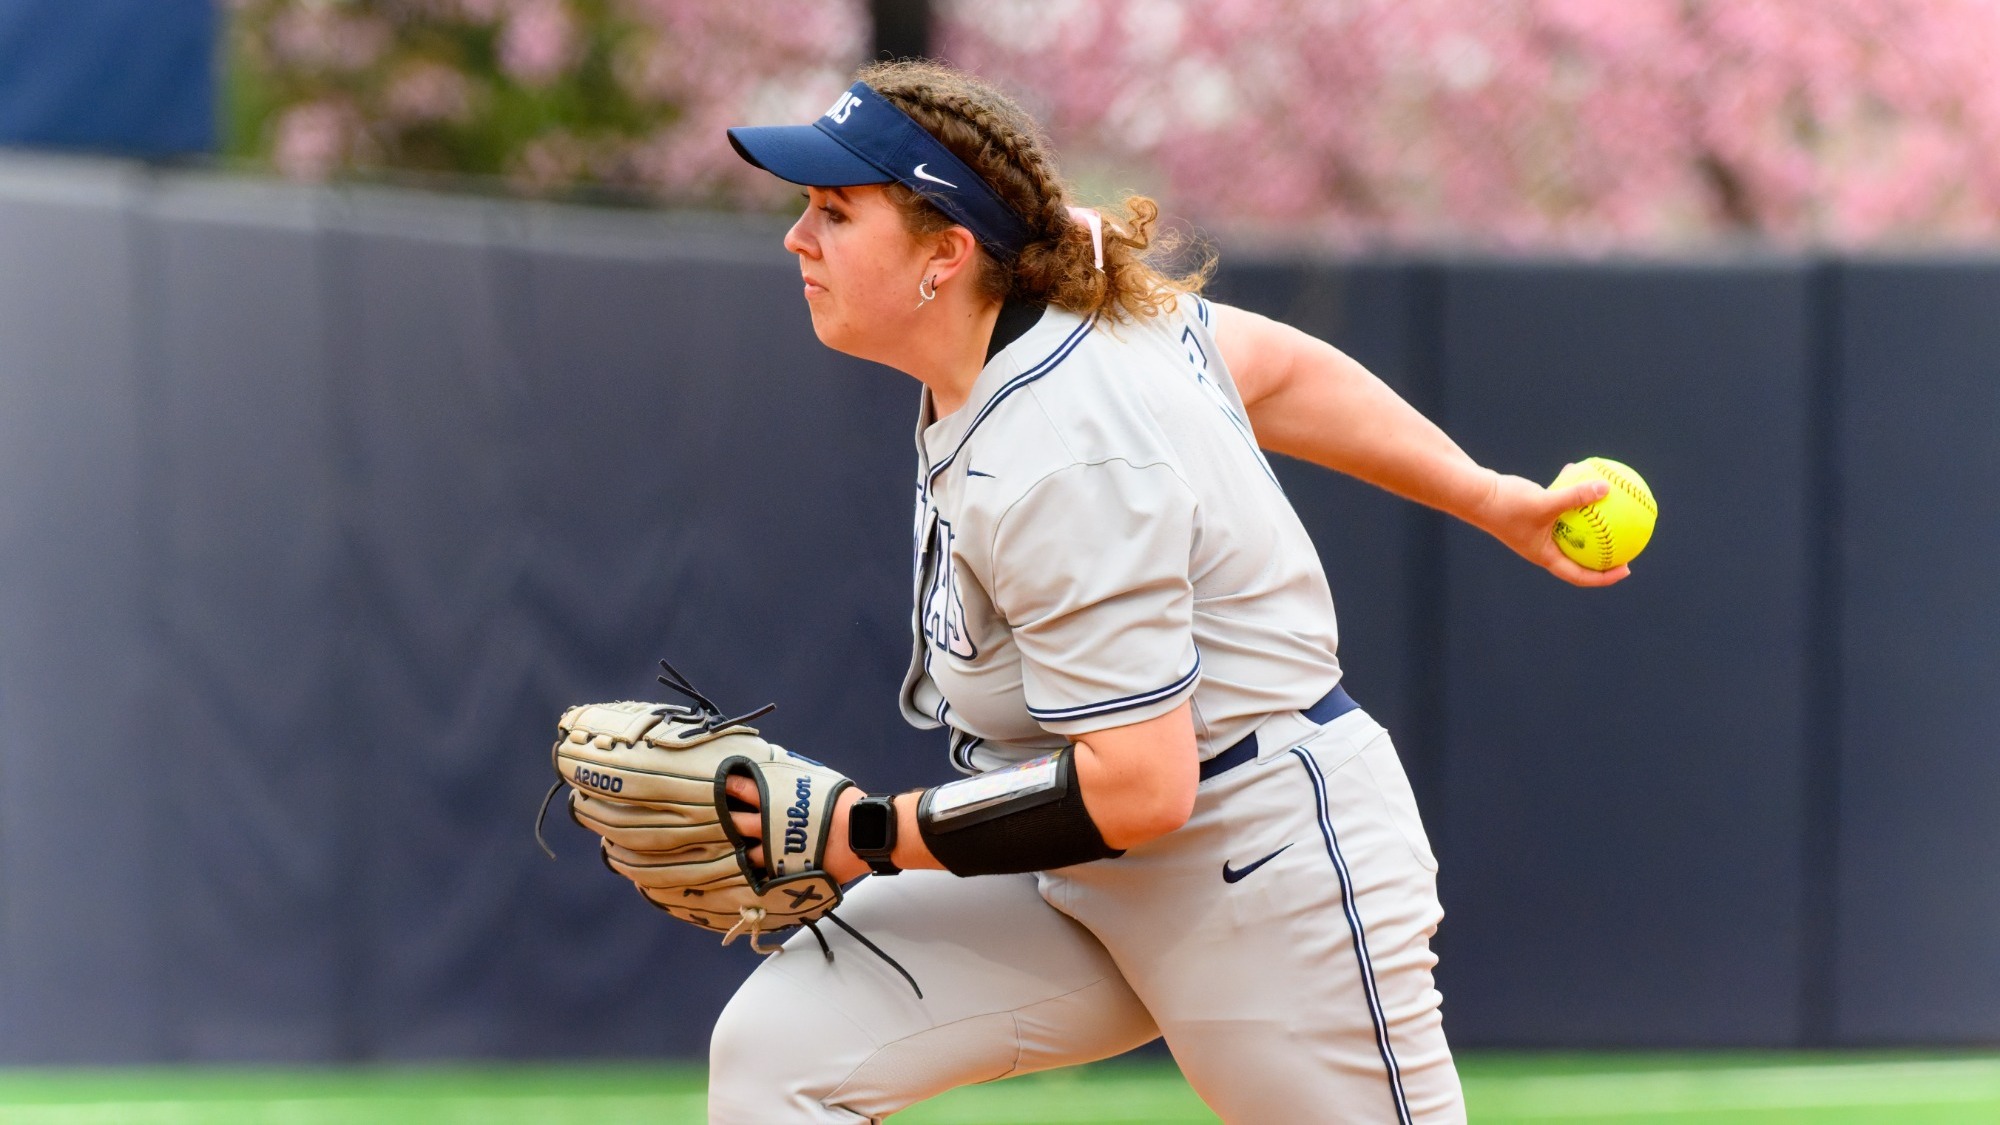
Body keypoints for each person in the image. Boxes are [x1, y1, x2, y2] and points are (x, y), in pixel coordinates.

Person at [702, 60, 1624, 1124]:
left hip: (1256, 864)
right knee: (780, 1054)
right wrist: (1485, 496)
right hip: (1067, 858)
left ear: (944, 255)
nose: (795, 238)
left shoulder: (1062, 453)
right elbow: (1270, 371)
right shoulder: (1059, 307)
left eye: (833, 211)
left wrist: (866, 834)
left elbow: (1142, 790)